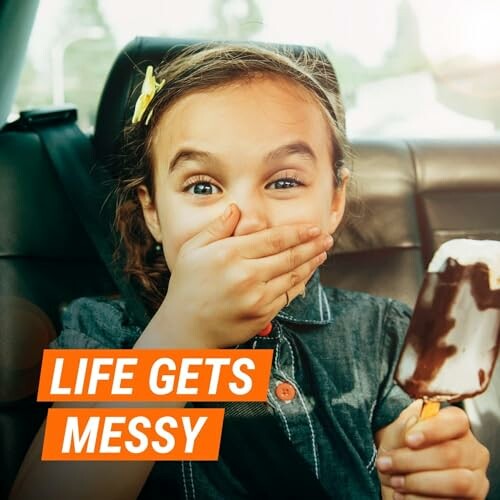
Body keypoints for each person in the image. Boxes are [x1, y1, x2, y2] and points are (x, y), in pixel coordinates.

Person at [11, 44, 489, 499]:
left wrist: (428, 472)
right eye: (202, 187)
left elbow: (418, 455)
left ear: (335, 201)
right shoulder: (103, 331)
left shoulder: (385, 334)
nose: (249, 217)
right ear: (153, 211)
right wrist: (181, 335)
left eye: (283, 181)